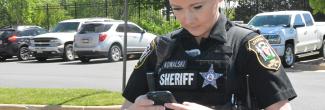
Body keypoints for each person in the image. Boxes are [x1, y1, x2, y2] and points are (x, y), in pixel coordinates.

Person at [121, 0, 297, 110]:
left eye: (197, 7)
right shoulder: (159, 47)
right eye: (177, 8)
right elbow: (127, 106)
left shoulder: (248, 45)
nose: (188, 19)